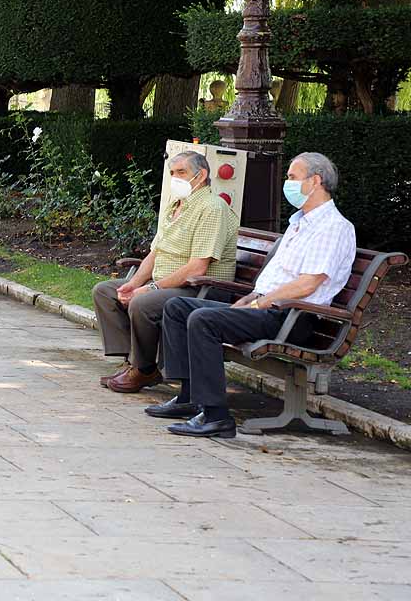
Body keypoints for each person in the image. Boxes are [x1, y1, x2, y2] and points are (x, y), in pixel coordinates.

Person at [148, 152, 356, 438]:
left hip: (293, 318)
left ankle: (216, 416)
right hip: (269, 308)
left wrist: (259, 303)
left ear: (316, 181)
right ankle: (188, 397)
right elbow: (278, 278)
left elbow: (308, 284)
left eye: (292, 178)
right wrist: (249, 299)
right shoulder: (300, 223)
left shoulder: (333, 228)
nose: (287, 184)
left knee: (203, 320)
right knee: (177, 307)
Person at [92, 151, 238, 393]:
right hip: (168, 285)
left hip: (201, 290)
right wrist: (133, 283)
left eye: (182, 172)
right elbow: (156, 252)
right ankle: (137, 363)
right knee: (106, 292)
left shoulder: (212, 208)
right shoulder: (176, 205)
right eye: (172, 173)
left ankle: (143, 369)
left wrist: (150, 287)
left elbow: (198, 267)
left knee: (143, 303)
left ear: (201, 175)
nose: (175, 178)